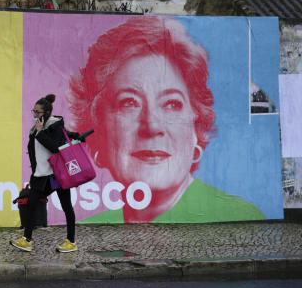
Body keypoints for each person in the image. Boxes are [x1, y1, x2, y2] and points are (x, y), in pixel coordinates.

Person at [68, 16, 264, 223]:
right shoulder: (87, 229)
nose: (151, 126)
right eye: (129, 103)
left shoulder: (239, 219)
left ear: (195, 127)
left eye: (172, 104)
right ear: (98, 127)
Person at [11, 94, 78, 253]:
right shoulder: (36, 128)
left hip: (57, 175)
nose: (34, 114)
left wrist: (41, 133)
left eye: (37, 112)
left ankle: (71, 241)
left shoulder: (55, 125)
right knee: (31, 203)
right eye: (33, 111)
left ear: (46, 113)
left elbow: (55, 147)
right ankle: (27, 240)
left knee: (66, 206)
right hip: (42, 175)